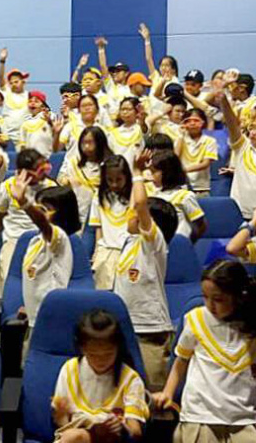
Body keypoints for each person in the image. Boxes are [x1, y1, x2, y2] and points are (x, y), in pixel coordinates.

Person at [154, 260, 256, 443]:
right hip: (200, 415)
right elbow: (180, 362)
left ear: (238, 296)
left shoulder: (251, 328)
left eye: (218, 299)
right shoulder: (196, 319)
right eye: (205, 297)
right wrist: (168, 393)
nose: (210, 305)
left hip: (242, 417)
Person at [114, 150, 178, 392]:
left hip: (150, 330)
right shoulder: (131, 240)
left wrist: (138, 172)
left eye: (138, 216)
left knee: (152, 394)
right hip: (124, 327)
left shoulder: (154, 243)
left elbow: (140, 204)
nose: (131, 215)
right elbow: (136, 202)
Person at [52, 310, 148, 443]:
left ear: (117, 348)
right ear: (82, 349)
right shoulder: (69, 370)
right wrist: (61, 414)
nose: (101, 360)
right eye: (93, 355)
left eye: (108, 354)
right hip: (76, 434)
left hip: (112, 438)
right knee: (74, 436)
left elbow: (135, 431)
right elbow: (63, 425)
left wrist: (121, 426)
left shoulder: (130, 379)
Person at [0, 149, 55, 299]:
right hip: (14, 240)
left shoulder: (50, 187)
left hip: (41, 241)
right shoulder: (8, 186)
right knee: (8, 274)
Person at [13, 176, 80, 337]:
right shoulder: (35, 241)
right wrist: (29, 308)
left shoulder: (60, 238)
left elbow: (43, 223)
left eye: (45, 209)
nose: (40, 213)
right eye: (38, 208)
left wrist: (24, 202)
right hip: (35, 316)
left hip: (53, 317)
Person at [88, 155, 133, 290]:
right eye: (110, 180)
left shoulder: (134, 196)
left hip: (127, 250)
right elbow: (99, 227)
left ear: (126, 177)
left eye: (119, 180)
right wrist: (97, 251)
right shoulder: (99, 196)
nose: (114, 184)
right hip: (106, 250)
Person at [58, 126, 111, 229]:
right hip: (77, 216)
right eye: (83, 143)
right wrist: (66, 180)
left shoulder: (109, 165)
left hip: (101, 217)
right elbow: (60, 178)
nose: (86, 146)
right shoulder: (73, 163)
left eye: (90, 142)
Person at [217, 85, 256, 220]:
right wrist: (223, 100)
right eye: (251, 127)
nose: (253, 133)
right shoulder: (242, 147)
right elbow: (232, 124)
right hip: (241, 216)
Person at [150, 150, 207, 242]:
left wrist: (188, 242)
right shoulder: (155, 195)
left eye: (154, 172)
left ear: (167, 172)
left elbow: (201, 224)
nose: (152, 177)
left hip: (178, 243)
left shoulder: (185, 196)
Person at [176, 109, 218, 198]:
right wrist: (181, 136)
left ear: (203, 123)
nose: (192, 124)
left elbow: (205, 163)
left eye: (196, 121)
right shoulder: (179, 140)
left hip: (201, 188)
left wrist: (184, 170)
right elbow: (175, 157)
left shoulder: (210, 141)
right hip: (182, 187)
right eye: (188, 121)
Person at [0, 48, 30, 145]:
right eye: (11, 83)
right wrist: (2, 61)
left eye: (16, 81)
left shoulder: (29, 96)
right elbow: (1, 80)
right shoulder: (7, 93)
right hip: (7, 136)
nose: (14, 84)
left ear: (23, 82)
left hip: (24, 137)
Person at [95, 36, 130, 117]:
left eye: (118, 71)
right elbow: (103, 66)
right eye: (114, 71)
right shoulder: (110, 86)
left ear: (126, 73)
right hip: (110, 121)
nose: (115, 73)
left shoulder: (130, 88)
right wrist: (101, 48)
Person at [140, 23, 179, 93]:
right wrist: (147, 40)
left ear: (173, 69)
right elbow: (149, 59)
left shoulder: (175, 82)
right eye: (162, 65)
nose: (163, 68)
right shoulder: (156, 78)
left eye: (167, 65)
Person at [107, 97, 145, 169]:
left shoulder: (140, 128)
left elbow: (145, 130)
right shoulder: (113, 134)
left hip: (137, 172)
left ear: (137, 111)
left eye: (129, 109)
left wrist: (142, 121)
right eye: (122, 109)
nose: (125, 112)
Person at [19, 91, 54, 158]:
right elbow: (22, 144)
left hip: (47, 156)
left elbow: (56, 132)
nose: (32, 103)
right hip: (30, 158)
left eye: (36, 101)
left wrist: (49, 121)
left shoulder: (50, 117)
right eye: (30, 101)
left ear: (43, 106)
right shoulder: (25, 122)